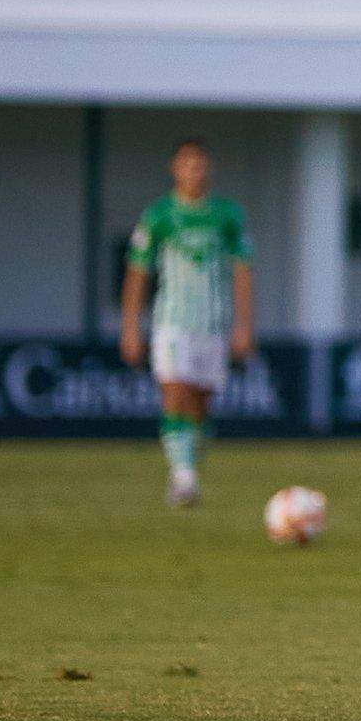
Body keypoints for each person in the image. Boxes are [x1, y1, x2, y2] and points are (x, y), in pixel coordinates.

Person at [119, 138, 251, 508]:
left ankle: (189, 466)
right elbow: (137, 272)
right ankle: (183, 478)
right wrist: (131, 327)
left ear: (209, 169)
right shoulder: (159, 216)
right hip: (172, 320)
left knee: (200, 403)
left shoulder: (227, 215)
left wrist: (244, 325)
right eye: (188, 164)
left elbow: (243, 270)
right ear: (175, 169)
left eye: (201, 164)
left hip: (214, 322)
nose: (195, 171)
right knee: (175, 391)